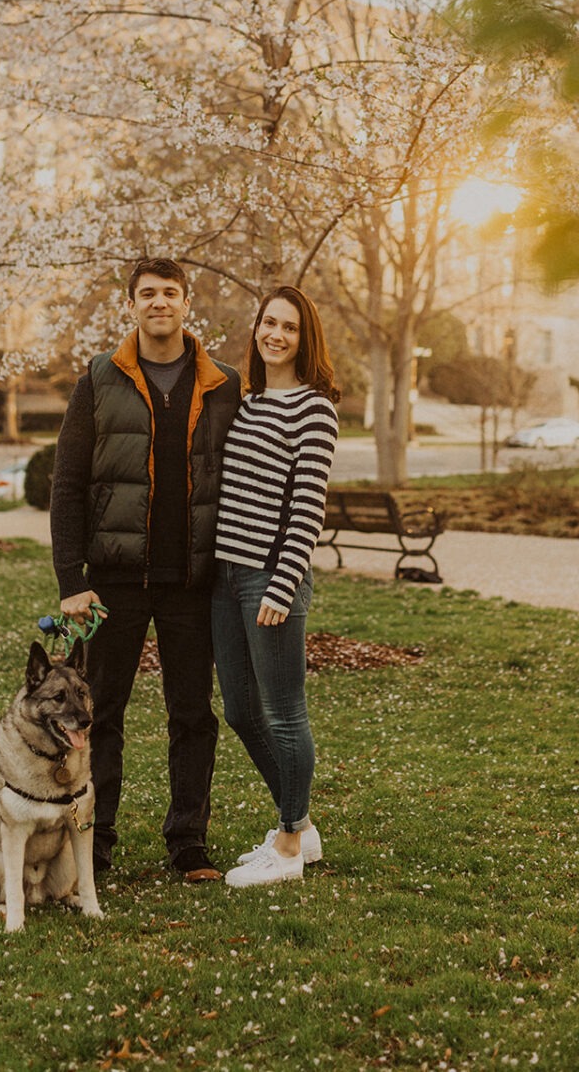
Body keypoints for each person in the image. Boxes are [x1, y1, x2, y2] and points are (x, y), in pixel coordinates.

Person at [50, 258, 241, 882]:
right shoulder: (99, 378)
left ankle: (188, 842)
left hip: (193, 582)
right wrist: (71, 581)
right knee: (99, 715)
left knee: (192, 715)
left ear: (188, 303)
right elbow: (69, 483)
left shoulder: (223, 384)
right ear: (130, 305)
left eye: (170, 293)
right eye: (147, 294)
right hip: (113, 582)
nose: (159, 302)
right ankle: (95, 841)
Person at [212, 285, 340, 887]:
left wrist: (281, 586)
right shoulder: (249, 400)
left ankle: (289, 846)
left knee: (285, 714)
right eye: (269, 323)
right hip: (226, 575)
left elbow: (307, 509)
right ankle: (301, 824)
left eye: (289, 327)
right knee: (240, 710)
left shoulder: (314, 408)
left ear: (303, 337)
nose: (276, 335)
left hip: (270, 578)